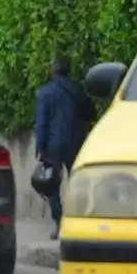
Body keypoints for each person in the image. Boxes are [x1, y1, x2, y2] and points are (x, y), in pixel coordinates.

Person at [35, 54, 97, 240]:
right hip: (76, 142)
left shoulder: (45, 93)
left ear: (52, 70)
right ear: (68, 70)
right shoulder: (77, 89)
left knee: (52, 184)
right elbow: (91, 114)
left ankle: (60, 222)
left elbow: (42, 124)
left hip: (53, 144)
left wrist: (40, 147)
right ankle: (81, 222)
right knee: (78, 183)